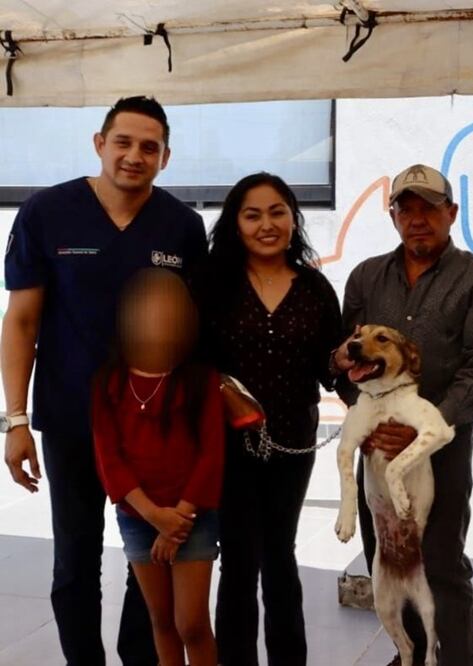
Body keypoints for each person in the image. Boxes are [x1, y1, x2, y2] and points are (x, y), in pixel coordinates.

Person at [2, 95, 208, 666]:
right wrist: (15, 420)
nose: (134, 156)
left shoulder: (183, 227)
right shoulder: (47, 212)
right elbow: (21, 321)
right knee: (75, 560)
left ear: (166, 158)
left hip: (154, 427)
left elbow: (193, 332)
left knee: (151, 554)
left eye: (150, 147)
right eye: (123, 142)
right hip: (71, 418)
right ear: (100, 143)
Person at [332, 163, 473, 666]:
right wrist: (362, 420)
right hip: (375, 449)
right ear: (393, 216)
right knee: (390, 560)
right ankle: (411, 655)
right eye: (406, 209)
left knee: (439, 564)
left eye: (429, 209)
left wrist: (421, 425)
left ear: (451, 213)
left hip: (442, 447)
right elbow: (348, 360)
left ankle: (453, 658)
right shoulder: (367, 277)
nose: (417, 219)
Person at [193, 172, 345, 666]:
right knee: (239, 560)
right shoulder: (213, 284)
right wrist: (221, 390)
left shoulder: (316, 288)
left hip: (292, 443)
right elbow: (192, 362)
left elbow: (329, 370)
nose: (266, 224)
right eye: (252, 214)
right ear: (235, 223)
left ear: (292, 218)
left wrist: (347, 371)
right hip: (227, 443)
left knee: (280, 556)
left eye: (277, 212)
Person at [93, 268, 223, 666]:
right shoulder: (108, 382)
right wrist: (153, 516)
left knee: (192, 623)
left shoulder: (201, 380)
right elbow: (108, 456)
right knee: (161, 619)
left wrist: (179, 518)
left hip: (193, 518)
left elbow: (211, 455)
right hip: (138, 517)